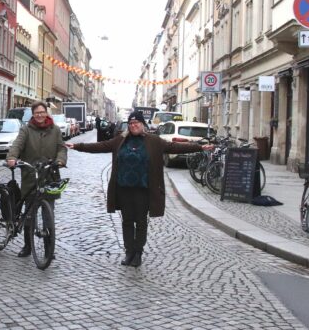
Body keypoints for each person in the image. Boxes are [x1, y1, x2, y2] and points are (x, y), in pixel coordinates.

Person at [66, 111, 212, 268]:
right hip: (123, 188)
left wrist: (200, 147)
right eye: (131, 123)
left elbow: (174, 147)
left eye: (137, 123)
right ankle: (129, 252)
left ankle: (138, 253)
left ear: (143, 125)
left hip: (143, 189)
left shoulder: (154, 141)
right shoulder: (121, 140)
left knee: (141, 221)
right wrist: (77, 146)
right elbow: (101, 146)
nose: (133, 125)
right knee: (127, 221)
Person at [6, 101, 68, 257]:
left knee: (49, 214)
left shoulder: (55, 130)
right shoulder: (26, 130)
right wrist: (12, 157)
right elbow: (17, 145)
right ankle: (27, 246)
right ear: (33, 115)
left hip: (49, 175)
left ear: (46, 113)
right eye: (36, 113)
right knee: (29, 213)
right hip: (31, 175)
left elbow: (61, 147)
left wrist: (60, 160)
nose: (39, 115)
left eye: (42, 112)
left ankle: (49, 249)